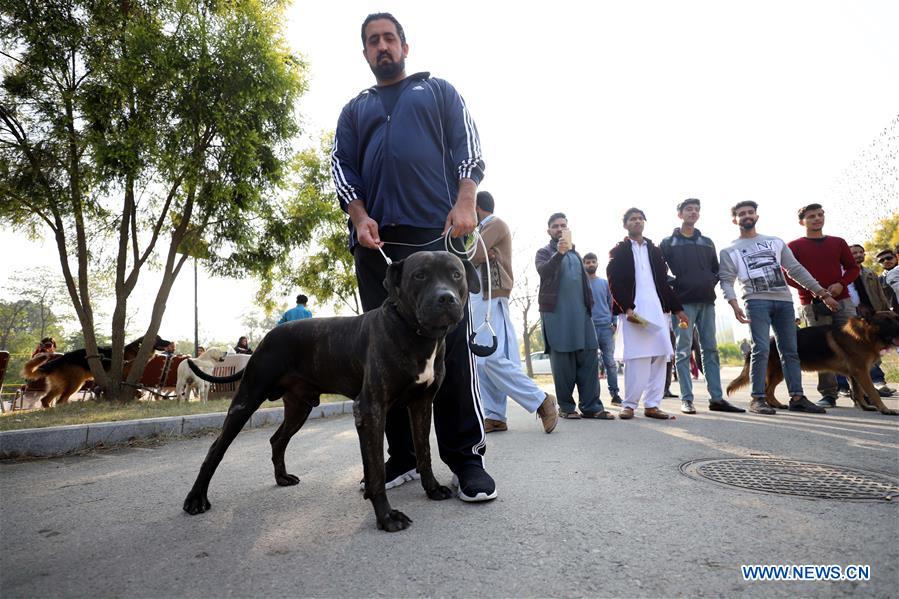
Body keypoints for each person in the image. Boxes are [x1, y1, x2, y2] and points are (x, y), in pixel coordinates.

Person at [331, 13, 496, 502]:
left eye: (388, 38)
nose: (382, 47)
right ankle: (402, 457)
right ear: (365, 53)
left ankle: (466, 459)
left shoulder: (438, 90)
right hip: (379, 250)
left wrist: (466, 201)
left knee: (453, 354)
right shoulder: (354, 109)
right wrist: (359, 217)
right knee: (383, 359)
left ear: (404, 45)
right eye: (372, 41)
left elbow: (470, 149)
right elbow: (342, 169)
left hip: (437, 238)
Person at [718, 201, 839, 415]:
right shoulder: (730, 250)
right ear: (735, 220)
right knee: (761, 349)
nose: (747, 216)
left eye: (750, 212)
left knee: (790, 351)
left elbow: (795, 269)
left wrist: (821, 292)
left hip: (783, 301)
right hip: (755, 301)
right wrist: (733, 303)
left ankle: (797, 397)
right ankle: (757, 399)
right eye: (741, 214)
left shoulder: (774, 242)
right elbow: (726, 280)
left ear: (756, 215)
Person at [469, 191, 558, 434]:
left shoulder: (494, 224)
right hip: (479, 298)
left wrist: (470, 252)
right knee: (481, 362)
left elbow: (474, 255)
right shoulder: (480, 230)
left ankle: (541, 400)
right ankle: (495, 415)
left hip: (490, 298)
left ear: (476, 207)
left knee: (490, 358)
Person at [660, 198, 744, 414]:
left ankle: (716, 398)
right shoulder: (668, 242)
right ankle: (686, 399)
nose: (693, 212)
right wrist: (677, 283)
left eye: (697, 209)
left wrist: (708, 280)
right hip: (683, 305)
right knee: (683, 351)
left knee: (710, 350)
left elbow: (716, 269)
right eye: (689, 209)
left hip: (707, 302)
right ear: (680, 214)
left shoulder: (707, 241)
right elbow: (660, 272)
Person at [607, 208, 688, 420]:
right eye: (632, 219)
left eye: (640, 218)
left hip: (658, 310)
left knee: (661, 355)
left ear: (644, 222)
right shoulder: (619, 252)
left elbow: (663, 282)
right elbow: (614, 283)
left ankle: (652, 405)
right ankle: (629, 405)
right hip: (634, 311)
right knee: (636, 358)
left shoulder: (654, 250)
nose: (637, 222)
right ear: (625, 225)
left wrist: (678, 309)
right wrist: (626, 307)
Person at [535, 213, 614, 420]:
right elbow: (544, 271)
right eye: (555, 226)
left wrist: (590, 307)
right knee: (563, 363)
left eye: (563, 225)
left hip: (582, 316)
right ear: (549, 231)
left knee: (589, 358)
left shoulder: (577, 254)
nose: (559, 229)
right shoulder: (543, 252)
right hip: (556, 316)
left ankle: (591, 407)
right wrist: (559, 253)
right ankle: (566, 407)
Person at [785, 204, 859, 408]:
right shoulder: (794, 246)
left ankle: (861, 394)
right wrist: (816, 291)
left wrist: (841, 284)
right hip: (812, 303)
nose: (817, 219)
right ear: (802, 221)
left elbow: (853, 268)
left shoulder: (838, 242)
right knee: (822, 348)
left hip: (843, 300)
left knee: (854, 345)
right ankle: (828, 394)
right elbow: (787, 275)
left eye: (820, 215)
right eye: (811, 216)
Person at [845, 244, 894, 396]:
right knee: (854, 351)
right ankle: (846, 386)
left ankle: (878, 382)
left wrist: (886, 311)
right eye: (854, 253)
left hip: (872, 314)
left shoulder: (870, 273)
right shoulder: (842, 272)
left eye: (861, 252)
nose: (858, 255)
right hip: (852, 315)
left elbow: (880, 294)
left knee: (874, 348)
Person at [582, 252, 623, 405]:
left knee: (610, 363)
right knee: (591, 365)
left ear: (597, 263)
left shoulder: (605, 284)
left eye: (593, 261)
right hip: (589, 329)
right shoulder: (582, 285)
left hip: (606, 328)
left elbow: (612, 303)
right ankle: (594, 397)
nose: (590, 264)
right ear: (583, 264)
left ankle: (615, 394)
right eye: (587, 262)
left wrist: (614, 322)